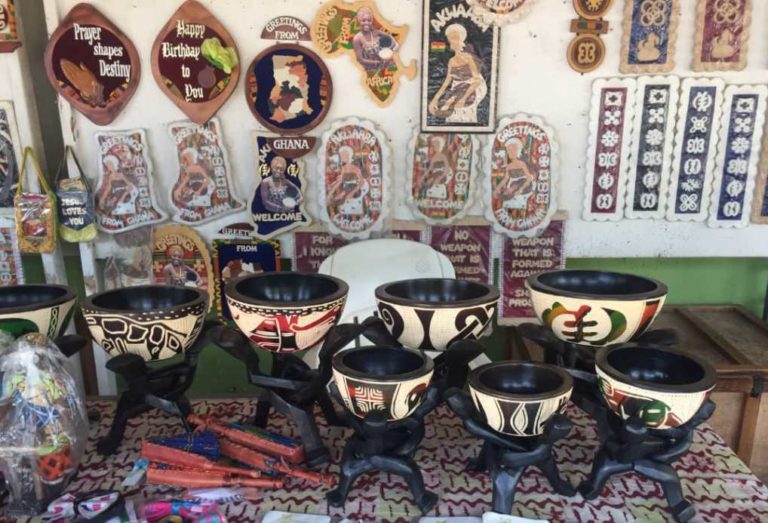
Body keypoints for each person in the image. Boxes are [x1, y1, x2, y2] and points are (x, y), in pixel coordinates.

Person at [428, 24, 487, 123]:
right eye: (450, 38)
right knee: (449, 105)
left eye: (455, 37)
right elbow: (447, 82)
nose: (453, 41)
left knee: (461, 107)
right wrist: (435, 99)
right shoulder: (451, 61)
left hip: (473, 86)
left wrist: (464, 98)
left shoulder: (468, 57)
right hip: (458, 88)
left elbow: (477, 80)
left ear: (461, 38)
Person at [493, 138, 536, 211]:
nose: (510, 152)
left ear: (518, 151)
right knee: (506, 200)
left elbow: (529, 178)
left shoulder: (522, 164)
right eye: (509, 150)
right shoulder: (509, 166)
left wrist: (521, 189)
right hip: (513, 186)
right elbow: (505, 179)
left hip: (525, 186)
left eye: (513, 150)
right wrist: (497, 188)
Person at [352, 6, 398, 72]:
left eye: (369, 20)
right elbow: (360, 60)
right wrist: (377, 63)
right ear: (359, 21)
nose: (366, 23)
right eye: (363, 20)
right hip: (371, 70)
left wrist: (396, 45)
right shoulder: (357, 38)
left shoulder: (375, 32)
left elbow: (389, 36)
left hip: (386, 64)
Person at [328, 145, 369, 216]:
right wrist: (330, 193)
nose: (343, 158)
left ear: (349, 156)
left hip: (359, 187)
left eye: (345, 156)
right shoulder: (343, 168)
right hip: (348, 188)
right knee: (343, 197)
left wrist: (353, 191)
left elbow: (361, 183)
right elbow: (339, 181)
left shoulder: (355, 168)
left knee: (350, 199)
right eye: (341, 156)